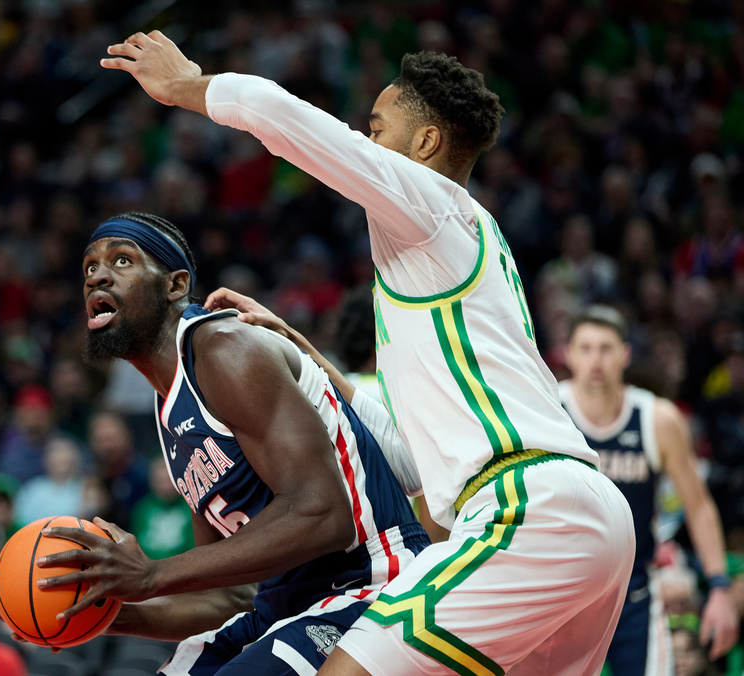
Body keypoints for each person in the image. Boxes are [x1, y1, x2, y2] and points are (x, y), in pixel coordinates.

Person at [101, 34, 635, 675]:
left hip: (527, 510)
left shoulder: (434, 209)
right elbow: (415, 460)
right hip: (581, 513)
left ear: (426, 144)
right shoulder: (451, 258)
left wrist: (186, 83)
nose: (366, 141)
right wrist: (309, 357)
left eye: (378, 130)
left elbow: (286, 118)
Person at [33, 212, 428, 675]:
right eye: (89, 268)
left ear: (175, 286)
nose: (97, 275)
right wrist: (98, 616)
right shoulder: (167, 410)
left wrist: (153, 575)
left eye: (122, 261)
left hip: (372, 582)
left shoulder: (223, 348)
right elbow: (229, 595)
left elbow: (324, 514)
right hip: (280, 605)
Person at [560, 306, 740, 673]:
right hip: (562, 594)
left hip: (635, 593)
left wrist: (719, 587)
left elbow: (699, 505)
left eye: (606, 348)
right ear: (568, 354)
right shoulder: (549, 410)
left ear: (625, 354)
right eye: (586, 348)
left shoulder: (657, 418)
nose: (596, 360)